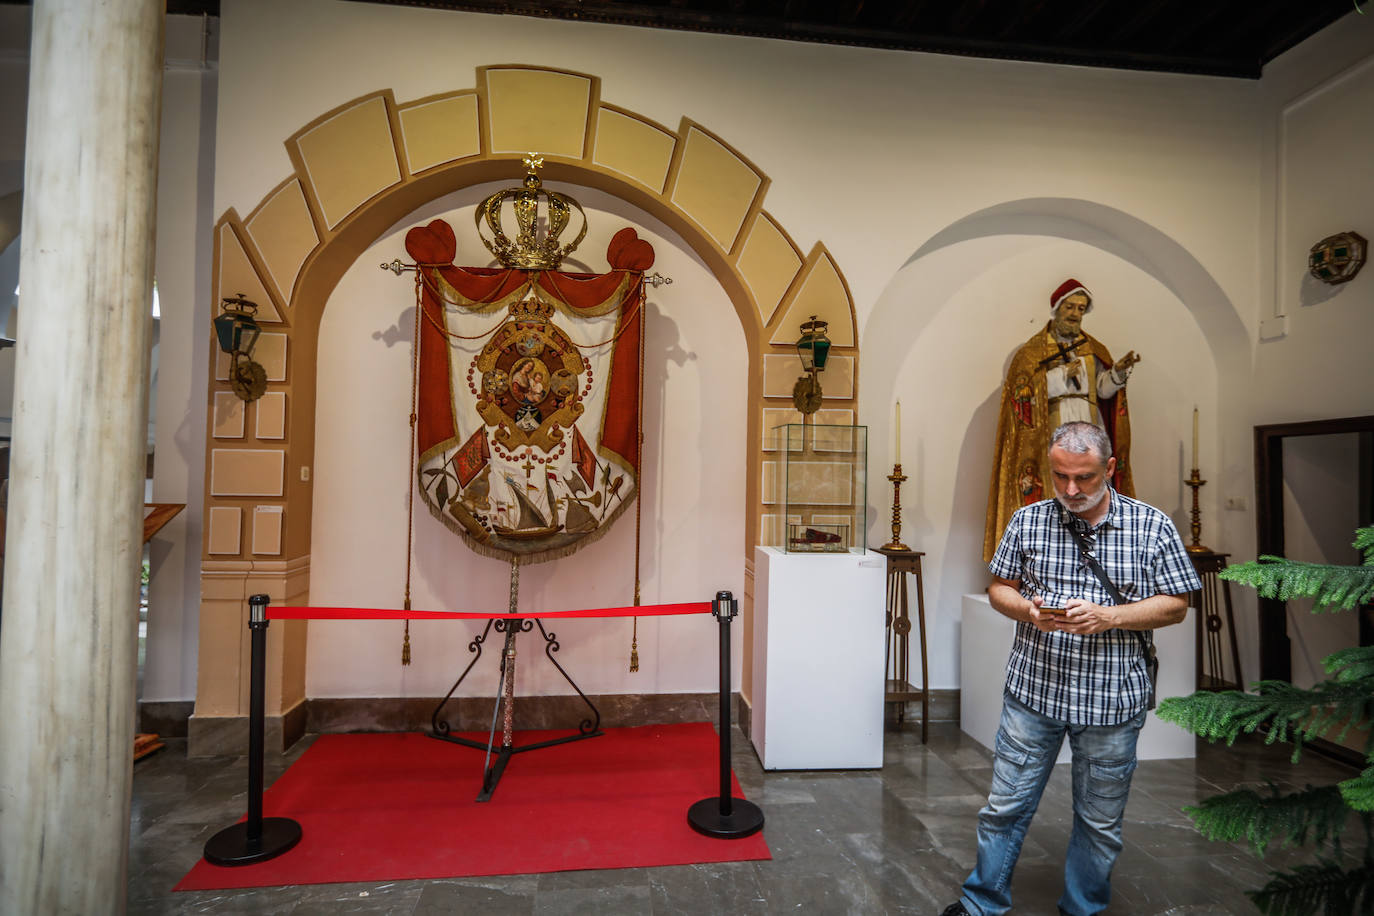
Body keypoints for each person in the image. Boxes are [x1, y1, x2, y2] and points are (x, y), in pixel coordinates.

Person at [945, 422, 1199, 916]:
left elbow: (1176, 605)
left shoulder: (1152, 526)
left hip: (1111, 699)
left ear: (1110, 468)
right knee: (1004, 807)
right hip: (1034, 691)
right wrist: (1029, 612)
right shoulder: (1028, 520)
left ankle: (1082, 908)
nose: (1070, 490)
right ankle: (981, 904)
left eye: (1083, 478)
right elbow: (1000, 587)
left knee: (1100, 821)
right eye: (1060, 476)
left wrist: (1110, 617)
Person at [983, 279, 1141, 563]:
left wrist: (1117, 372)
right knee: (1056, 483)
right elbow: (1024, 392)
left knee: (1089, 483)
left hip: (1088, 421)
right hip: (1052, 424)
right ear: (1057, 308)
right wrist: (1060, 376)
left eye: (1080, 308)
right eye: (1070, 306)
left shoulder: (1093, 349)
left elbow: (1103, 391)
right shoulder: (1032, 353)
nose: (1074, 313)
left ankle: (1093, 545)